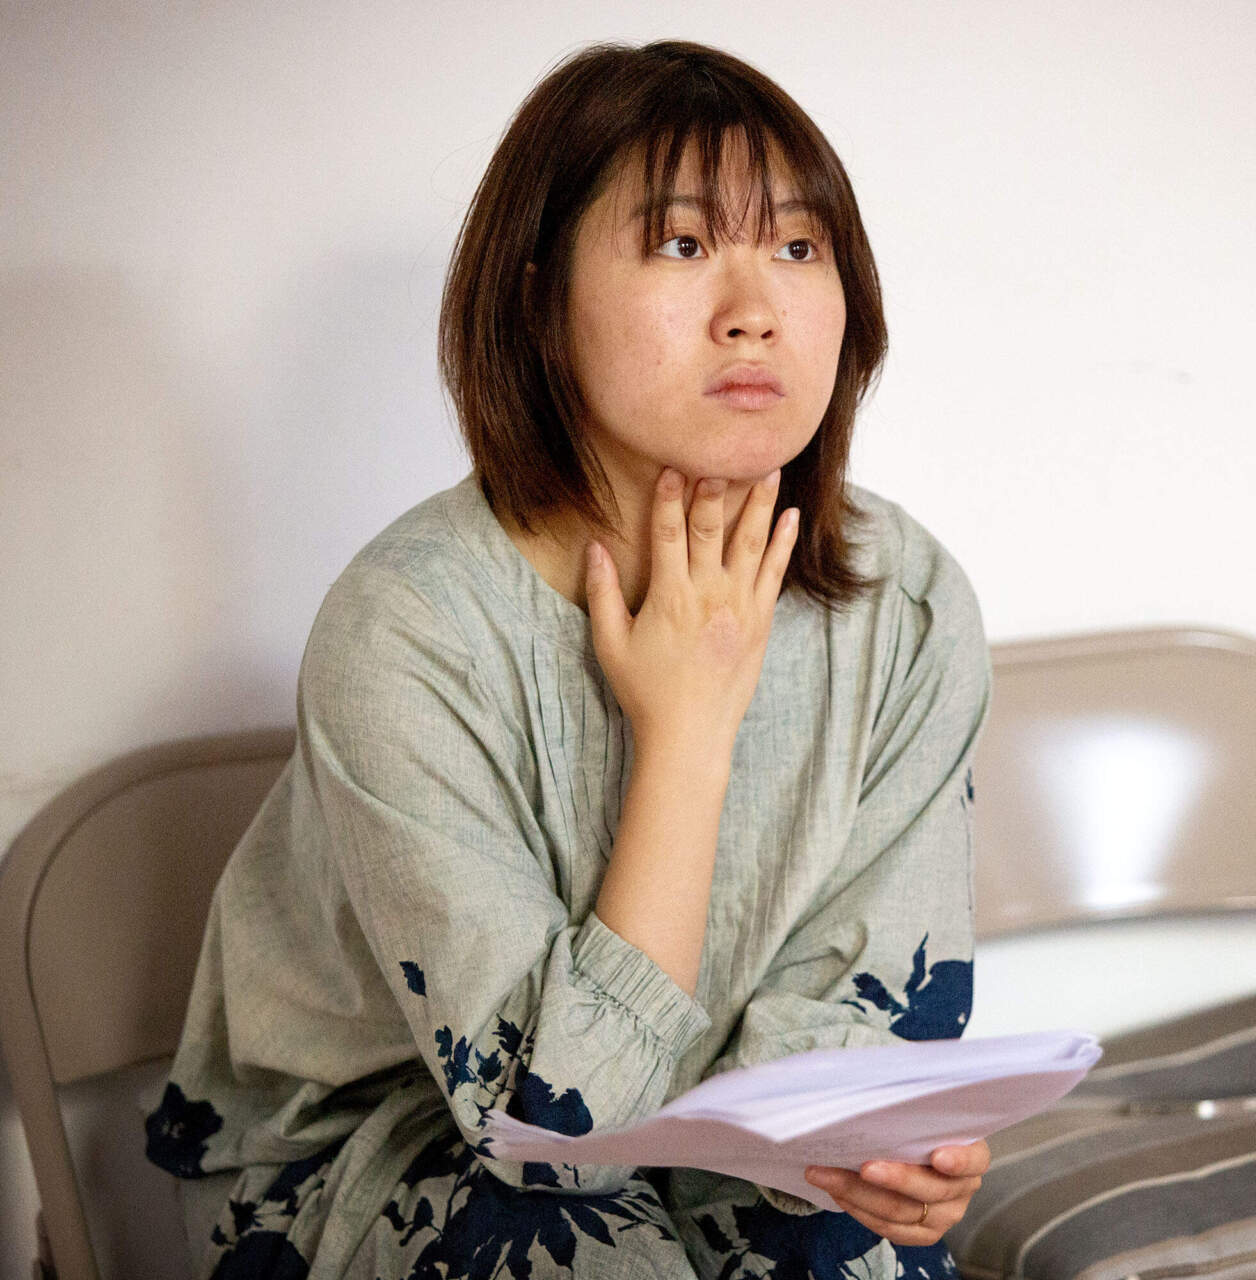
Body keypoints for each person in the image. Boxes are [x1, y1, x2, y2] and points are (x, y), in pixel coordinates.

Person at [142, 38, 993, 1280]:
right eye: (684, 244)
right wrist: (689, 732)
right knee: (573, 1248)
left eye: (800, 248)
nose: (755, 302)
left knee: (849, 1248)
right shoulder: (408, 627)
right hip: (380, 1149)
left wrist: (865, 1142)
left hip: (708, 1126)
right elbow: (553, 1140)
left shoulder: (905, 602)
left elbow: (862, 1016)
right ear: (541, 294)